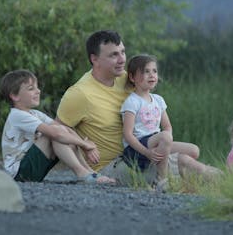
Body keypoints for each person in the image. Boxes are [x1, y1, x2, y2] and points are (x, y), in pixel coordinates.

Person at [56, 30, 220, 186]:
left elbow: (148, 95)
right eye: (114, 54)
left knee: (192, 152)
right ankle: (227, 181)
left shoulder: (125, 78)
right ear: (95, 59)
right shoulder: (79, 94)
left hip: (140, 150)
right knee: (185, 162)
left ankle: (231, 177)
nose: (122, 60)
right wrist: (83, 144)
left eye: (122, 52)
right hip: (112, 166)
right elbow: (57, 131)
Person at [0, 69, 115, 184]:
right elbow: (56, 133)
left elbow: (65, 129)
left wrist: (84, 146)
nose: (38, 91)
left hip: (30, 169)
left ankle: (88, 172)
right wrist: (84, 144)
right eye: (31, 89)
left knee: (62, 130)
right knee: (55, 133)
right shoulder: (17, 115)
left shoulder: (35, 114)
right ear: (14, 96)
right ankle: (82, 173)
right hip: (19, 174)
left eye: (37, 87)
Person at [121, 54, 219, 188]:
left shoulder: (158, 100)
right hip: (137, 148)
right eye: (146, 71)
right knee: (165, 137)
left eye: (154, 71)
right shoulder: (132, 102)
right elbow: (127, 134)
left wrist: (166, 144)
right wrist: (147, 152)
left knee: (194, 150)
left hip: (157, 141)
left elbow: (167, 127)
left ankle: (195, 172)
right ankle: (161, 179)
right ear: (132, 77)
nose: (152, 75)